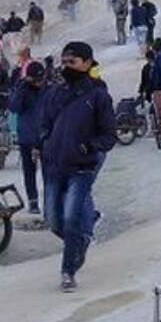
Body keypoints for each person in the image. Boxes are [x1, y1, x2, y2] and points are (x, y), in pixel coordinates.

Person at [38, 41, 116, 292]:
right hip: (53, 168)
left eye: (71, 62)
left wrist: (88, 147)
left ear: (87, 63)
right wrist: (44, 143)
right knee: (53, 221)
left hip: (81, 168)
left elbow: (109, 135)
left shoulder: (98, 96)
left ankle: (67, 271)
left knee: (71, 218)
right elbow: (46, 123)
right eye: (64, 62)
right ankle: (82, 239)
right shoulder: (55, 94)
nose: (65, 67)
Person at [8, 61, 46, 214]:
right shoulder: (22, 89)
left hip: (45, 136)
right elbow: (14, 107)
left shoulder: (47, 88)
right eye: (35, 80)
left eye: (40, 80)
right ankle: (33, 201)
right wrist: (21, 89)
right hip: (28, 138)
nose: (39, 83)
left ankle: (51, 202)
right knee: (29, 171)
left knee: (50, 172)